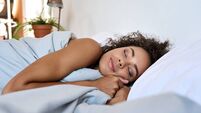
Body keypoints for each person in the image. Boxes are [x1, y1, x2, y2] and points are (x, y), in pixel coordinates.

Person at [0, 31, 170, 105]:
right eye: (126, 53)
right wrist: (93, 85)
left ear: (126, 80)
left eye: (130, 70)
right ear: (117, 46)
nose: (121, 63)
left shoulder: (103, 85)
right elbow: (13, 91)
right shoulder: (90, 47)